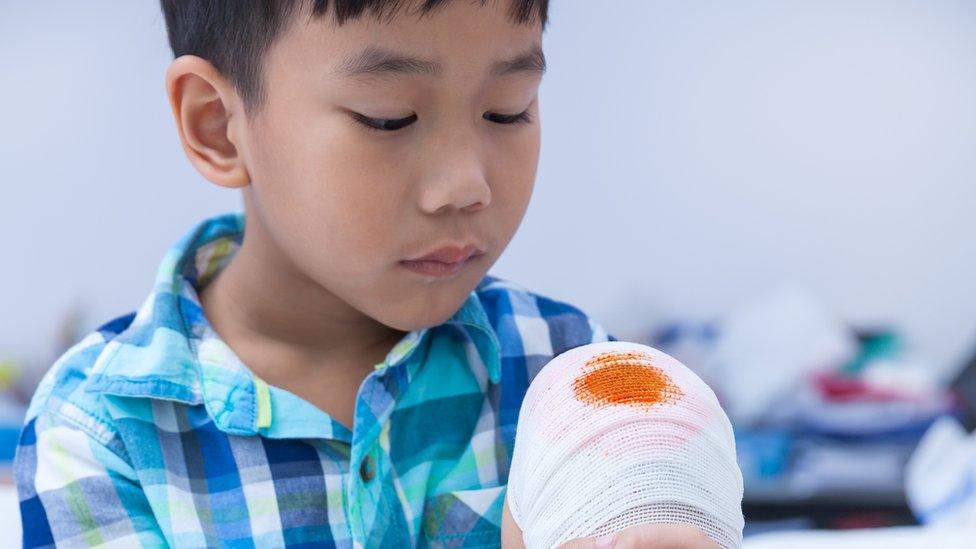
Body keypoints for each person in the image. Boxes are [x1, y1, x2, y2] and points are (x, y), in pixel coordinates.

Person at [14, 1, 715, 546]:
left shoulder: (571, 368)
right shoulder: (102, 430)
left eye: (508, 109)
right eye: (390, 119)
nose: (465, 185)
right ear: (218, 126)